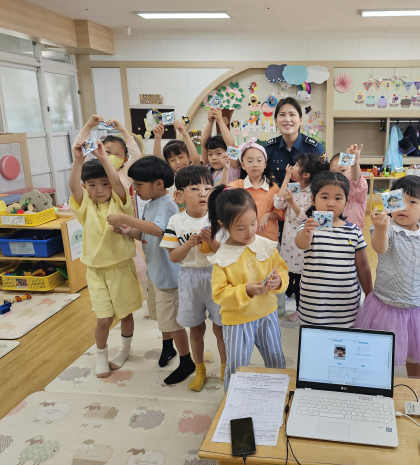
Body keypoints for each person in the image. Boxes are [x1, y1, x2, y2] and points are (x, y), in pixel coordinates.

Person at [354, 176, 420, 378]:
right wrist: (381, 227)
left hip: (419, 307)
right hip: (387, 305)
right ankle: (376, 383)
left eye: (412, 202)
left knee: (417, 353)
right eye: (398, 201)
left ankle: (416, 386)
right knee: (379, 355)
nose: (404, 207)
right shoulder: (390, 230)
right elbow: (380, 247)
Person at [106, 156, 194, 385]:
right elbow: (147, 235)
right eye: (134, 183)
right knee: (162, 319)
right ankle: (168, 349)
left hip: (168, 276)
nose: (135, 189)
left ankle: (187, 361)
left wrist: (127, 218)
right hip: (155, 273)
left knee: (172, 322)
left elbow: (157, 230)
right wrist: (130, 230)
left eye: (139, 184)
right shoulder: (152, 203)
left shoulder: (166, 204)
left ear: (158, 183)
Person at [68, 137, 141, 379]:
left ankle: (124, 350)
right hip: (96, 271)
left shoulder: (121, 203)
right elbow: (74, 186)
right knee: (103, 320)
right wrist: (78, 160)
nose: (99, 189)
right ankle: (101, 356)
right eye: (92, 185)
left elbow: (118, 184)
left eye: (105, 184)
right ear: (86, 187)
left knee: (126, 314)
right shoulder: (85, 204)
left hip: (121, 268)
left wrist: (102, 158)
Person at [206, 186, 289, 390]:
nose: (250, 231)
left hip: (267, 314)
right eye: (241, 228)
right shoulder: (222, 258)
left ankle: (278, 393)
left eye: (253, 223)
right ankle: (232, 401)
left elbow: (282, 270)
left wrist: (278, 281)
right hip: (238, 321)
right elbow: (218, 294)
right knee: (237, 366)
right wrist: (246, 291)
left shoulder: (266, 245)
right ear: (223, 226)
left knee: (276, 359)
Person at [160, 166, 226, 391]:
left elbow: (227, 255)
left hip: (216, 276)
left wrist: (214, 241)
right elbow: (173, 257)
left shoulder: (219, 219)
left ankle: (226, 369)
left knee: (221, 328)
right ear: (179, 195)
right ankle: (199, 370)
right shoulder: (176, 222)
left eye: (208, 188)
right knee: (196, 329)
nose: (203, 193)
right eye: (195, 188)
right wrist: (188, 244)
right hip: (189, 278)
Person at [295, 171, 373, 327]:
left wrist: (369, 294)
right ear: (313, 200)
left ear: (346, 202)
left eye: (338, 198)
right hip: (314, 302)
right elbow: (301, 244)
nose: (331, 203)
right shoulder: (308, 227)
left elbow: (363, 266)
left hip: (345, 303)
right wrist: (307, 232)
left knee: (343, 342)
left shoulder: (354, 231)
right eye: (324, 197)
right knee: (313, 338)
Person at [274, 154, 329, 321]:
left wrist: (291, 202)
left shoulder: (315, 192)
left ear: (306, 174)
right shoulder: (294, 187)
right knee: (286, 273)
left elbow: (306, 219)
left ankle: (300, 309)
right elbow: (277, 204)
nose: (293, 167)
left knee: (300, 279)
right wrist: (286, 179)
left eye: (297, 166)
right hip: (287, 241)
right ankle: (281, 306)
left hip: (302, 242)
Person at [265, 97, 327, 188]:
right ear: (276, 122)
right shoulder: (269, 148)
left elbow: (326, 180)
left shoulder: (315, 148)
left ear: (300, 120)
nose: (287, 119)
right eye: (282, 115)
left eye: (292, 114)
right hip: (280, 198)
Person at [72, 115, 142, 192]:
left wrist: (123, 130)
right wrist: (89, 126)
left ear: (125, 160)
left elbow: (136, 155)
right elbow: (78, 150)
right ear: (99, 151)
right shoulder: (91, 170)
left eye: (118, 154)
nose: (112, 156)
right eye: (108, 152)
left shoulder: (125, 173)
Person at [153, 120, 201, 211]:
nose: (178, 162)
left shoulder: (193, 172)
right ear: (168, 162)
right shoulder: (170, 175)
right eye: (172, 160)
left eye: (181, 157)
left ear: (188, 156)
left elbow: (196, 160)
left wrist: (185, 134)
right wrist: (157, 137)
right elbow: (157, 162)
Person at [329, 144, 368, 231]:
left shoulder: (356, 187)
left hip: (351, 232)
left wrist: (354, 164)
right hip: (333, 230)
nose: (338, 175)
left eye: (343, 170)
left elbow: (355, 181)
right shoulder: (331, 187)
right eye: (333, 172)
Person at [200, 108, 241, 185]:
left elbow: (231, 146)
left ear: (228, 153)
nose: (214, 157)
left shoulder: (232, 168)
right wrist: (210, 122)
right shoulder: (208, 168)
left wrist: (220, 121)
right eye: (210, 154)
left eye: (219, 153)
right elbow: (203, 145)